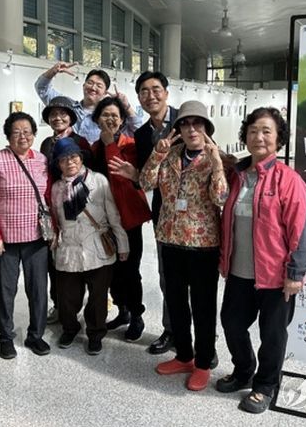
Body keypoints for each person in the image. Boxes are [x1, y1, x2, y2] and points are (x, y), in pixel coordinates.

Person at [217, 107, 306, 413]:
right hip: (239, 271)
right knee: (232, 323)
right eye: (253, 130)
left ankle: (265, 385)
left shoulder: (289, 180)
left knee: (272, 334)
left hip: (275, 275)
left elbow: (301, 230)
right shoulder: (236, 176)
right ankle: (244, 369)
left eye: (266, 131)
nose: (259, 136)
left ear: (279, 139)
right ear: (245, 136)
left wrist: (295, 272)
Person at [139, 100, 227, 392]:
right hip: (170, 239)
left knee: (203, 307)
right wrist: (157, 153)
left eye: (197, 124)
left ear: (206, 128)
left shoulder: (214, 158)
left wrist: (217, 165)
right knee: (175, 302)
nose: (191, 130)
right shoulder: (169, 154)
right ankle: (184, 356)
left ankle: (202, 363)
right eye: (185, 124)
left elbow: (221, 198)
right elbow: (145, 182)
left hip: (203, 245)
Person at [109, 70, 178, 355]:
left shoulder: (186, 120)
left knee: (198, 282)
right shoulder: (141, 134)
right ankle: (171, 330)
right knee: (167, 275)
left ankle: (203, 341)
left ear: (166, 92)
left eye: (156, 89)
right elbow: (148, 179)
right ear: (138, 98)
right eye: (144, 91)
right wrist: (135, 175)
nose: (151, 95)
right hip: (164, 213)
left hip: (199, 216)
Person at [0, 112, 51, 360]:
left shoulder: (42, 160)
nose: (23, 136)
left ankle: (36, 335)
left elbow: (49, 197)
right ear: (8, 135)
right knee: (6, 291)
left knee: (39, 290)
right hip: (6, 240)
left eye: (27, 131)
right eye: (17, 132)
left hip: (37, 238)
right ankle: (6, 337)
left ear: (34, 134)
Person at [50, 138, 130, 355]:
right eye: (63, 159)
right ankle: (70, 329)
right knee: (67, 297)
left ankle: (95, 334)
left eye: (73, 157)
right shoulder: (56, 188)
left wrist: (122, 244)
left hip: (97, 246)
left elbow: (113, 214)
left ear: (81, 157)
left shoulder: (98, 180)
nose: (70, 162)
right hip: (68, 248)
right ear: (58, 164)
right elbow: (55, 219)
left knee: (98, 297)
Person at [90, 96, 151, 342]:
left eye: (115, 115)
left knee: (130, 270)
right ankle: (122, 310)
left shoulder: (130, 146)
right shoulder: (94, 149)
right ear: (97, 119)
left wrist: (109, 145)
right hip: (104, 221)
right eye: (105, 115)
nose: (110, 119)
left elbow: (118, 176)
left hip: (128, 219)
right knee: (112, 270)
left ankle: (137, 315)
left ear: (122, 120)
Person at [39, 95, 92, 324]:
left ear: (71, 117)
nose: (58, 118)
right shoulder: (46, 143)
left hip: (77, 206)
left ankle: (79, 305)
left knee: (80, 256)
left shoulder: (80, 142)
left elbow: (89, 173)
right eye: (53, 114)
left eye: (63, 114)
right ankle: (59, 304)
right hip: (52, 203)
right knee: (55, 259)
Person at [34, 62, 143, 143]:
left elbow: (138, 131)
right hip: (67, 161)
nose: (93, 88)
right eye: (90, 83)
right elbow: (41, 88)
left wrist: (127, 106)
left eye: (99, 86)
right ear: (83, 85)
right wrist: (54, 70)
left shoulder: (107, 117)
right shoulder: (67, 106)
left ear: (105, 93)